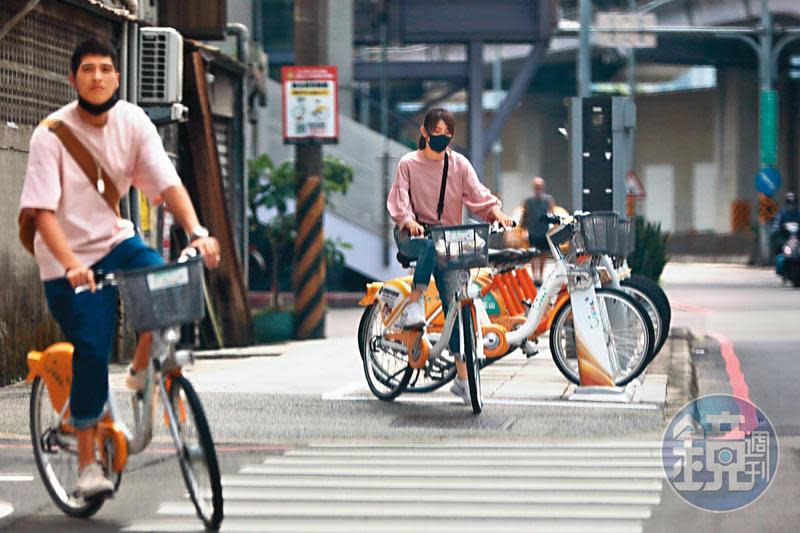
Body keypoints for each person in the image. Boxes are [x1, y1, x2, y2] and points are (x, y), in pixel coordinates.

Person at [18, 38, 221, 499]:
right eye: (87, 69)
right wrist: (70, 265)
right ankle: (89, 463)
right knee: (90, 345)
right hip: (64, 260)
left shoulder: (133, 121)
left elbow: (166, 183)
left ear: (117, 76)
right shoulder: (49, 135)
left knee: (166, 284)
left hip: (115, 242)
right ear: (74, 80)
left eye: (105, 69)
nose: (96, 77)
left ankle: (139, 370)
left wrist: (197, 231)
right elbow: (42, 214)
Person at [387, 108, 513, 403]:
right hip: (413, 236)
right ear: (424, 132)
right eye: (437, 133)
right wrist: (409, 222)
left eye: (447, 134)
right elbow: (400, 200)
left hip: (447, 240)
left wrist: (498, 215)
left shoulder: (459, 165)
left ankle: (462, 377)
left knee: (455, 303)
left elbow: (478, 196)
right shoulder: (408, 163)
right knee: (429, 246)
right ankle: (414, 304)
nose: (442, 138)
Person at [520, 177, 555, 284]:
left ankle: (540, 275)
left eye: (539, 187)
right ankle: (535, 276)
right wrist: (523, 229)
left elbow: (552, 213)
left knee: (543, 254)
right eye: (536, 187)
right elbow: (525, 216)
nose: (538, 189)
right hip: (533, 230)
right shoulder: (528, 201)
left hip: (544, 231)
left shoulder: (548, 200)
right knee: (534, 254)